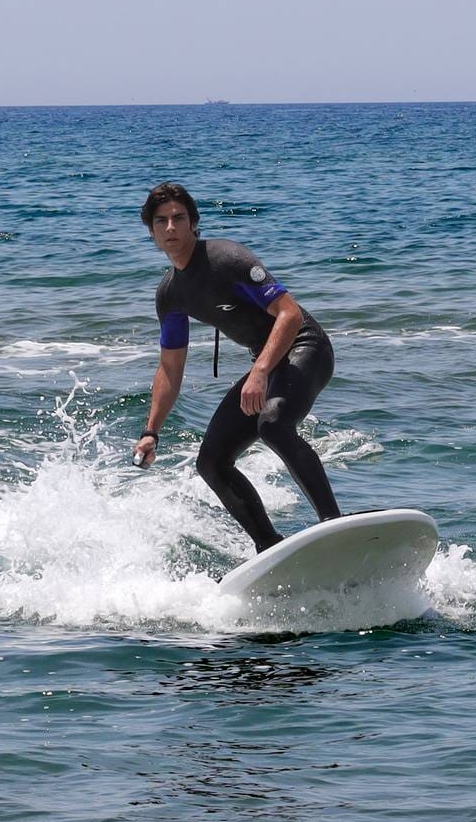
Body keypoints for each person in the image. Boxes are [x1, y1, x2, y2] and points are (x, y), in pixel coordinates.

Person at [132, 182, 341, 552]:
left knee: (274, 423)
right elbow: (170, 368)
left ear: (194, 223)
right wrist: (152, 431)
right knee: (211, 461)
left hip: (307, 347)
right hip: (268, 362)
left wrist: (259, 372)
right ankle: (269, 547)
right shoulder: (171, 295)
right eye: (161, 221)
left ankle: (334, 525)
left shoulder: (227, 260)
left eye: (179, 218)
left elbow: (289, 314)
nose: (170, 228)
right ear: (151, 231)